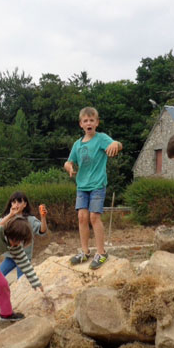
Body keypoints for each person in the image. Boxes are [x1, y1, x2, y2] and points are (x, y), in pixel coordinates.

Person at [63, 107, 122, 269]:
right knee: (82, 217)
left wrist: (116, 144)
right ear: (81, 124)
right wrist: (68, 166)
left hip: (97, 185)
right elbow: (69, 161)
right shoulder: (77, 144)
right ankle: (84, 251)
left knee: (94, 217)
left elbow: (117, 144)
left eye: (91, 120)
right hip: (82, 186)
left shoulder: (101, 138)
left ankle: (101, 253)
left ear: (97, 122)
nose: (89, 123)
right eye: (85, 121)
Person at [0, 191, 48, 279]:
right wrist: (10, 215)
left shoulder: (30, 219)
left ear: (25, 204)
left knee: (21, 281)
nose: (16, 204)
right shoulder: (7, 218)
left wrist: (43, 217)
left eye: (19, 202)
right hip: (10, 256)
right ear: (10, 204)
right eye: (14, 202)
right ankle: (5, 291)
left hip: (24, 258)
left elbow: (42, 230)